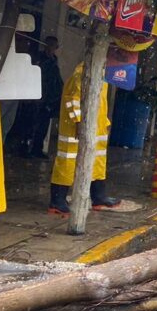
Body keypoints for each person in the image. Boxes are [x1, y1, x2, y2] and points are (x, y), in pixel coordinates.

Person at [49, 63, 119, 215]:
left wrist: (104, 123)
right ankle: (57, 200)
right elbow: (72, 99)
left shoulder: (101, 74)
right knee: (67, 163)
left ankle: (98, 196)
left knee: (97, 161)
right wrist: (79, 122)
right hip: (76, 129)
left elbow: (100, 103)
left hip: (96, 127)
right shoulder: (82, 74)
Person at [26, 35, 62, 158]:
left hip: (48, 99)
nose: (51, 48)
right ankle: (25, 148)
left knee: (43, 126)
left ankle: (37, 149)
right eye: (49, 45)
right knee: (31, 124)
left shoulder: (53, 60)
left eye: (53, 46)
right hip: (37, 96)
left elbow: (56, 80)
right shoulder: (40, 59)